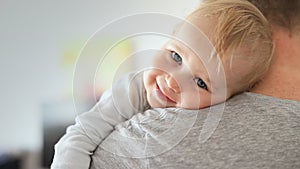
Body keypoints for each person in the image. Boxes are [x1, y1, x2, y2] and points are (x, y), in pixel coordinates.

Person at [51, 0, 274, 168]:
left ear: (231, 98)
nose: (172, 82)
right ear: (168, 39)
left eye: (200, 82)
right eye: (176, 56)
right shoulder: (131, 90)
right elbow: (77, 140)